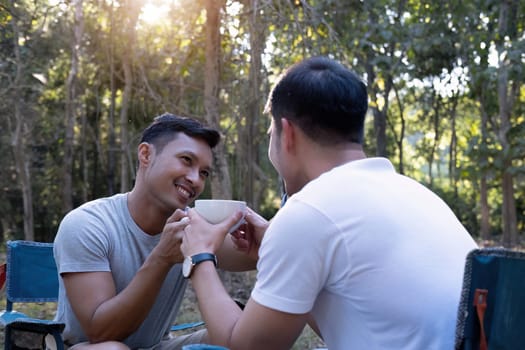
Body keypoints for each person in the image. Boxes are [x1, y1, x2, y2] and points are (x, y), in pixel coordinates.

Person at [180, 56, 478, 350]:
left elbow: (244, 347)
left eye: (271, 135)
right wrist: (273, 252)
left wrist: (199, 258)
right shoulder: (416, 194)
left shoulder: (308, 212)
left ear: (288, 135)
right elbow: (365, 322)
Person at [53, 113, 255, 349]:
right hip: (89, 346)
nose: (195, 180)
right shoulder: (88, 224)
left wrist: (261, 238)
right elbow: (100, 332)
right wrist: (162, 258)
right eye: (186, 160)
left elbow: (260, 255)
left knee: (242, 336)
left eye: (204, 173)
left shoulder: (193, 227)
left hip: (156, 346)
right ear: (146, 154)